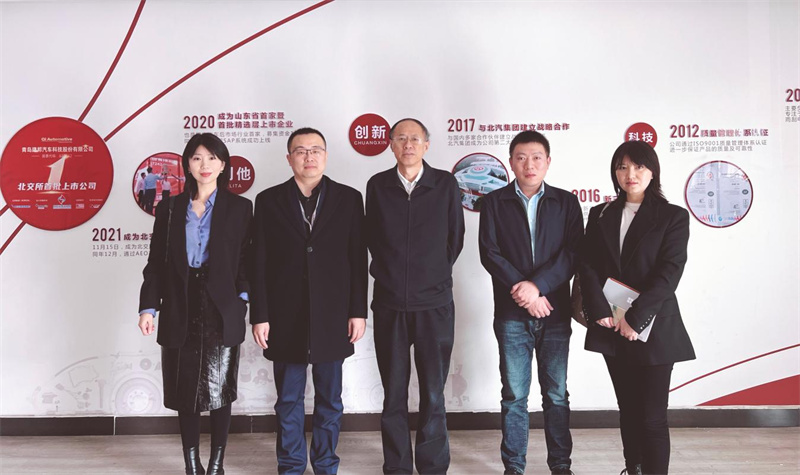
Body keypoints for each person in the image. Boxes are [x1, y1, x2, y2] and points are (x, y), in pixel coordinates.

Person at [250, 127, 367, 475]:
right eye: (300, 151)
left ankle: (326, 464)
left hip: (333, 315)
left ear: (326, 156)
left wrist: (357, 311)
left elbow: (357, 258)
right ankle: (290, 465)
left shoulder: (349, 199)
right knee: (288, 399)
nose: (309, 156)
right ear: (289, 159)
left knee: (330, 399)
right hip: (285, 316)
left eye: (316, 150)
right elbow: (259, 263)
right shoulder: (268, 201)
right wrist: (260, 314)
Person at [138, 133, 252, 475]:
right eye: (198, 157)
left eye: (212, 158)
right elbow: (156, 262)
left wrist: (241, 300)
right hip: (180, 302)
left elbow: (246, 260)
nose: (205, 165)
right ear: (187, 164)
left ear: (223, 164)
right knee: (184, 388)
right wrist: (148, 307)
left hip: (222, 306)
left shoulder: (240, 208)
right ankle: (192, 464)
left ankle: (216, 464)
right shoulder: (170, 208)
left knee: (220, 388)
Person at [579, 141, 695, 475]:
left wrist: (636, 317)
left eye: (639, 166)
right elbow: (588, 265)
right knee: (628, 410)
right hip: (611, 324)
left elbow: (669, 272)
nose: (630, 174)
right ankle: (634, 469)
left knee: (652, 416)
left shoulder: (672, 216)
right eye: (623, 167)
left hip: (654, 327)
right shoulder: (600, 213)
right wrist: (599, 310)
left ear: (652, 171)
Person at [478, 130, 582, 475]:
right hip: (511, 314)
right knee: (514, 396)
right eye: (521, 158)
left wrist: (537, 287)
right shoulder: (494, 202)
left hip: (555, 312)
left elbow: (572, 253)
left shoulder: (566, 203)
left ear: (548, 162)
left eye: (537, 157)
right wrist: (524, 294)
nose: (529, 164)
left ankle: (561, 465)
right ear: (511, 162)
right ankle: (514, 467)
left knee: (556, 394)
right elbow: (490, 253)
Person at [366, 118, 465, 474]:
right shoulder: (377, 185)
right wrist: (392, 275)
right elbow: (373, 238)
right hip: (390, 304)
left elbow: (455, 238)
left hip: (434, 305)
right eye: (401, 138)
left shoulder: (445, 184)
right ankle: (396, 466)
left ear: (426, 144)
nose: (408, 144)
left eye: (415, 138)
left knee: (433, 393)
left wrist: (431, 274)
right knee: (393, 394)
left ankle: (433, 465)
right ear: (391, 144)